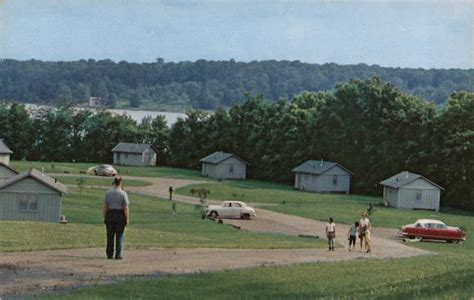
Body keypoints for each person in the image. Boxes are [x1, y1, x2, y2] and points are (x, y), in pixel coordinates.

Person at [103, 176, 130, 260]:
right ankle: (118, 254)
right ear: (120, 183)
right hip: (120, 215)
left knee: (110, 235)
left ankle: (109, 254)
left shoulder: (108, 193)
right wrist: (127, 218)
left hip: (110, 214)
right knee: (119, 236)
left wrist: (105, 217)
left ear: (114, 182)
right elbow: (125, 207)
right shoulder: (123, 194)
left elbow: (105, 207)